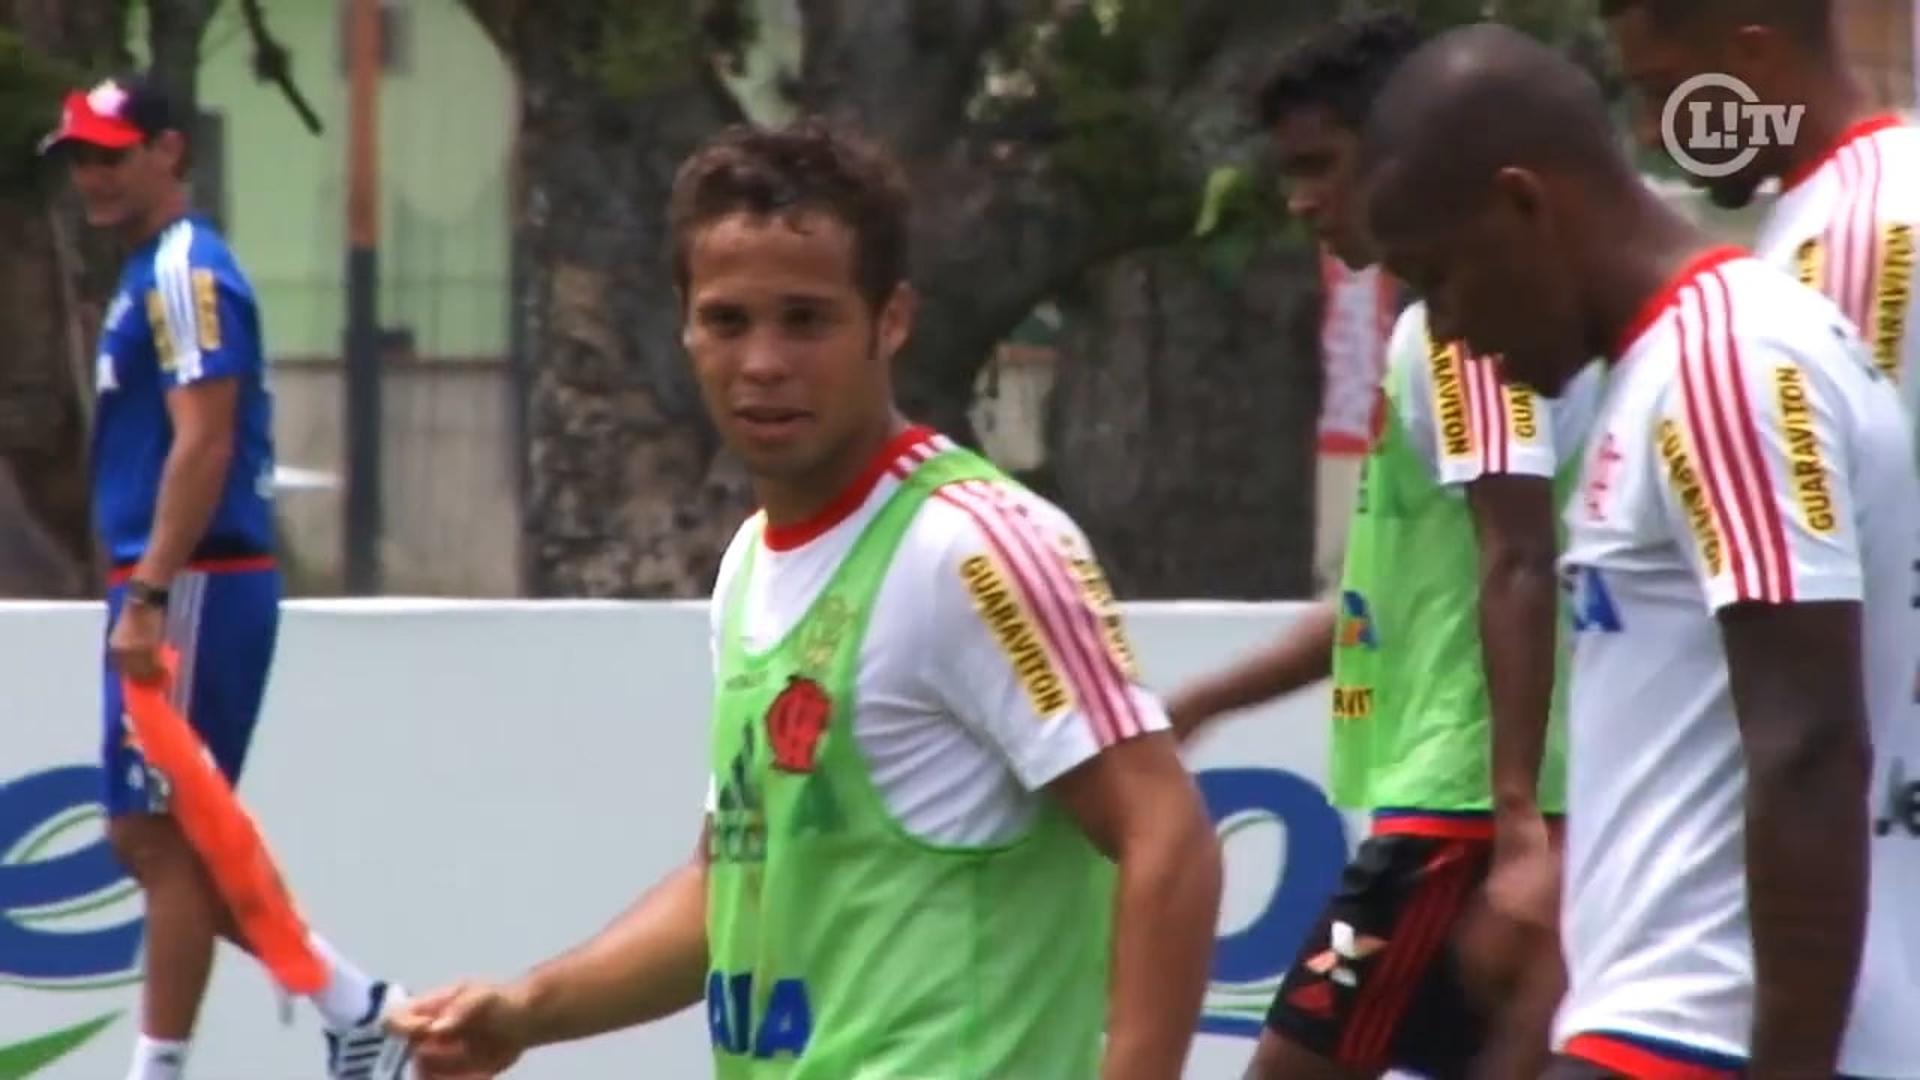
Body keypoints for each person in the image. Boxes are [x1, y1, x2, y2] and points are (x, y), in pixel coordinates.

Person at [387, 119, 1223, 1079]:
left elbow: (1167, 835)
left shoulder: (974, 547)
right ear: (686, 325)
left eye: (807, 319)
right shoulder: (749, 563)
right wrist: (530, 1010)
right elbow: (727, 886)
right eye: (729, 321)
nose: (763, 363)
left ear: (891, 321)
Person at [1360, 23, 1920, 1078]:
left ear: (1524, 205)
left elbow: (1808, 746)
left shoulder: (1727, 363)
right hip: (1652, 1025)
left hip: (1701, 1038)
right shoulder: (1668, 366)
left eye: (1440, 279)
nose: (1450, 335)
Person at [1164, 12, 1598, 1078]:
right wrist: (1207, 700)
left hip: (1462, 820)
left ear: (1408, 152)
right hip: (1472, 807)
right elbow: (1384, 609)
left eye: (1322, 166)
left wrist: (1518, 828)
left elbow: (1520, 555)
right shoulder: (1441, 327)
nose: (1301, 200)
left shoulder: (1460, 336)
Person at [38, 75, 413, 1080]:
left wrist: (153, 591)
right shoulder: (150, 272)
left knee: (158, 837)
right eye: (79, 157)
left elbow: (203, 443)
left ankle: (168, 1065)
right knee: (155, 836)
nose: (91, 176)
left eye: (111, 155)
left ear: (170, 152)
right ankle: (356, 1005)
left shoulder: (185, 274)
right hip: (171, 578)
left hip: (196, 578)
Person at [1603, 0, 1920, 427]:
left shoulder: (1851, 236)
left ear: (1754, 56)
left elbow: (1855, 485)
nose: (1651, 131)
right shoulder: (1852, 199)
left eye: (1662, 91)